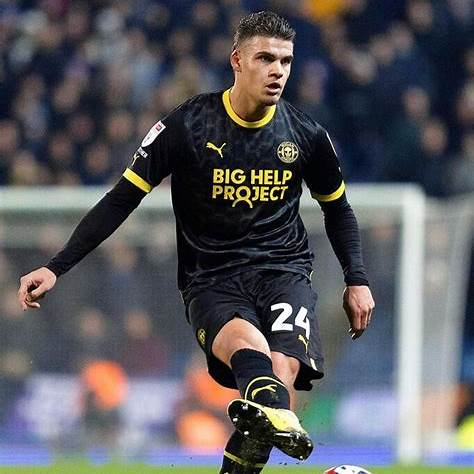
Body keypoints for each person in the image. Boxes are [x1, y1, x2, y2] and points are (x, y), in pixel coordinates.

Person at [18, 11, 375, 473]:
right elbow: (121, 199)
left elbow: (338, 209)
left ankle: (270, 416)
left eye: (285, 61)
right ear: (237, 61)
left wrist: (356, 279)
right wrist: (56, 266)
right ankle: (274, 413)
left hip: (284, 271)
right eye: (265, 59)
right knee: (255, 360)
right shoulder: (188, 125)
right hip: (212, 278)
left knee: (275, 389)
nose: (277, 71)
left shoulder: (306, 136)